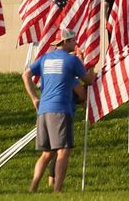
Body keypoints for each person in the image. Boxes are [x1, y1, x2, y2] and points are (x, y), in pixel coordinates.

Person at [22, 28, 96, 193]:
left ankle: (32, 188)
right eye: (73, 40)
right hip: (61, 110)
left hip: (44, 110)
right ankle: (57, 191)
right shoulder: (72, 61)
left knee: (47, 153)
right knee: (63, 151)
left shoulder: (45, 58)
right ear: (66, 41)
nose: (76, 43)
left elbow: (25, 75)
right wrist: (92, 67)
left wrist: (34, 98)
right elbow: (88, 81)